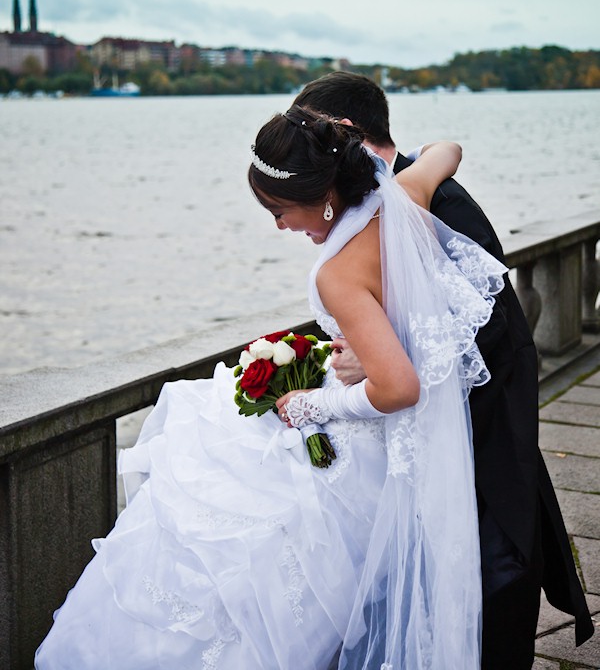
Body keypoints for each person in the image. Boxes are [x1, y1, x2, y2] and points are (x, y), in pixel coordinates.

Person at [37, 108, 502, 669]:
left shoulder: (339, 272)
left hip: (375, 435)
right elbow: (446, 149)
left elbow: (399, 387)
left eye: (280, 211)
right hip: (416, 432)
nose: (280, 227)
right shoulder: (405, 197)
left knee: (233, 534)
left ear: (324, 196)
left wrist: (313, 403)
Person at [293, 72, 594, 668]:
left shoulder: (429, 200)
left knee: (490, 568)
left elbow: (490, 326)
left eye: (311, 132)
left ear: (344, 130)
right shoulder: (394, 186)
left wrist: (376, 360)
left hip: (481, 423)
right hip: (429, 423)